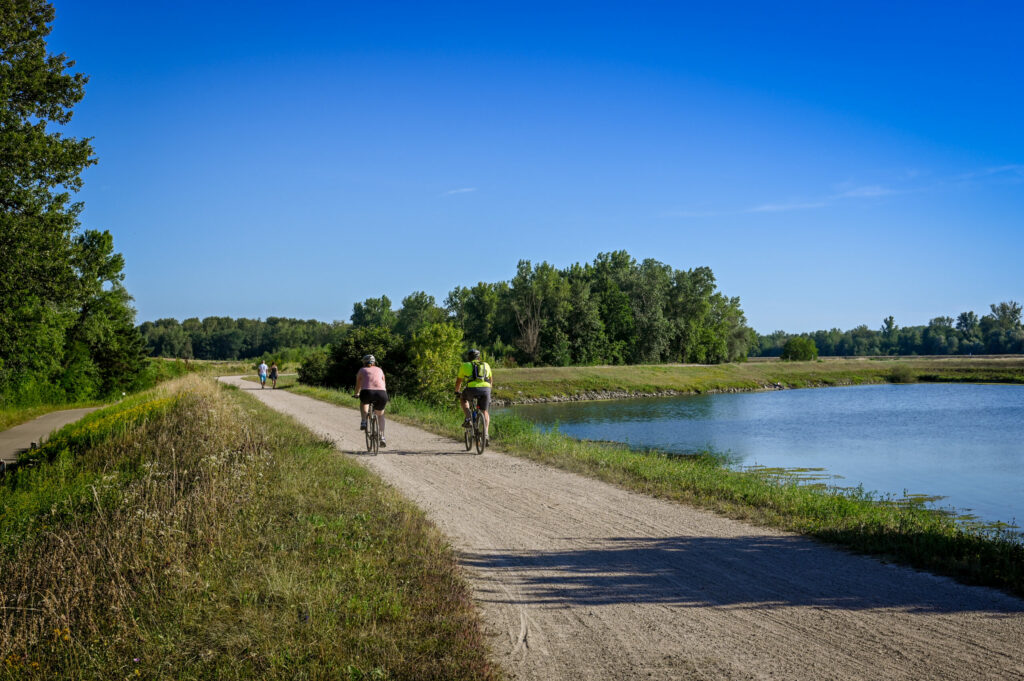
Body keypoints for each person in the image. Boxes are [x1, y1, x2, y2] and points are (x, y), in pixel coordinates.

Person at [455, 349, 492, 444]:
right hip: (485, 390)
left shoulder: (465, 365)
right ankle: (486, 433)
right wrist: (488, 391)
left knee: (463, 398)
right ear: (479, 358)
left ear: (469, 358)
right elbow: (491, 380)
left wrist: (457, 391)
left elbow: (459, 381)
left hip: (471, 389)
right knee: (485, 411)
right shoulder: (486, 365)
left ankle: (468, 418)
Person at [354, 354, 388, 447]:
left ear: (364, 363)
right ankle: (382, 437)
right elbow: (383, 383)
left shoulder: (362, 370)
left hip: (367, 392)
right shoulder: (380, 370)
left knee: (363, 403)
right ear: (374, 362)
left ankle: (364, 421)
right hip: (381, 393)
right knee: (380, 415)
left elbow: (358, 385)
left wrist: (356, 393)